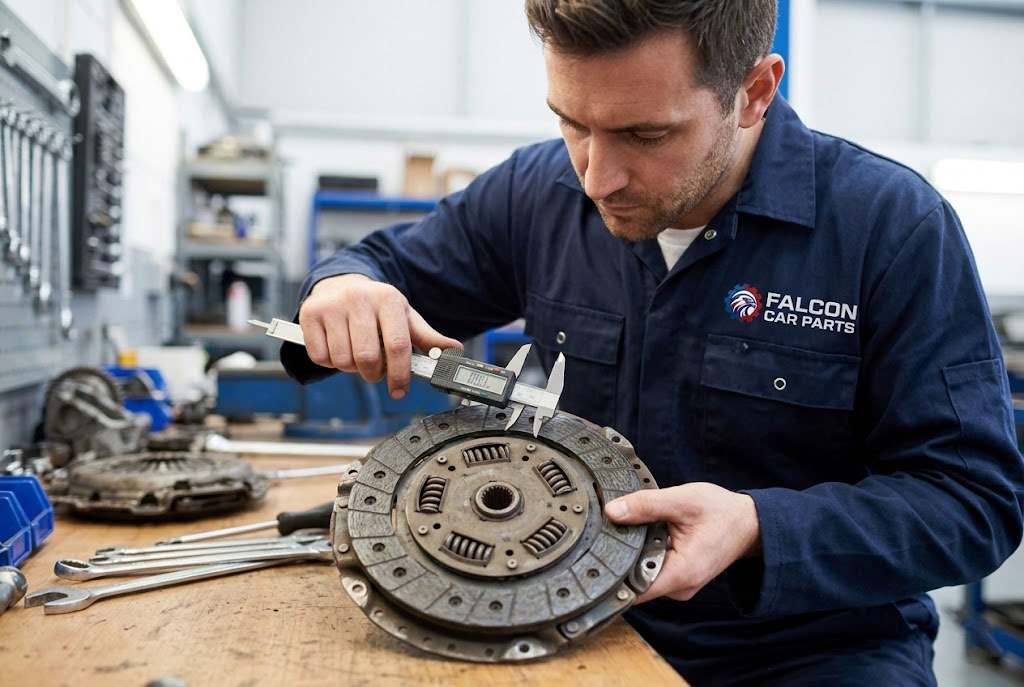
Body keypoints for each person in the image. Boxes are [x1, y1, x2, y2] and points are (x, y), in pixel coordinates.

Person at [281, 1, 1024, 684]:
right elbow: (382, 268)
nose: (597, 176)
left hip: (810, 648)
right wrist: (341, 287)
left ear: (755, 92)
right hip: (563, 622)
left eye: (645, 134)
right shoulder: (536, 194)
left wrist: (761, 526)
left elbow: (971, 502)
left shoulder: (890, 228)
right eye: (571, 121)